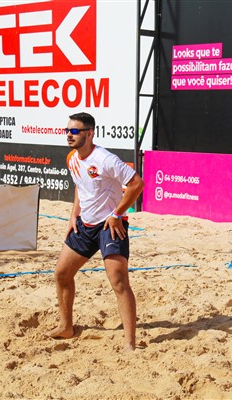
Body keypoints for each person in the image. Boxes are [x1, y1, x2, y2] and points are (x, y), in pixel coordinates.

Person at [45, 112, 144, 352]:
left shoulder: (105, 159)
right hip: (85, 225)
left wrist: (117, 214)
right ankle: (66, 327)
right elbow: (80, 186)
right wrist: (73, 215)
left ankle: (130, 343)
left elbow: (137, 184)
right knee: (62, 274)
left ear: (89, 133)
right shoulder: (72, 158)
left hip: (110, 225)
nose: (69, 135)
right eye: (67, 130)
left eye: (74, 131)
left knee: (118, 281)